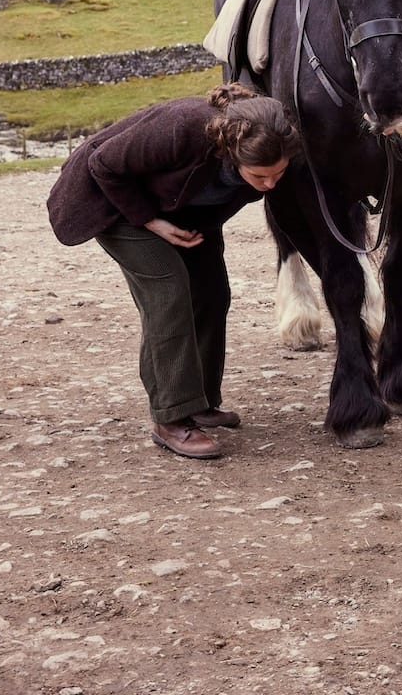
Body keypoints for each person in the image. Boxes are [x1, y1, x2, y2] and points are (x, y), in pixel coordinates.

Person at [47, 84, 300, 460]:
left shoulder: (272, 144)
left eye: (277, 174)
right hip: (116, 205)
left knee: (212, 292)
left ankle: (199, 401)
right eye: (260, 177)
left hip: (183, 213)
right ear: (233, 154)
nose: (270, 185)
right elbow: (103, 163)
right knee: (169, 290)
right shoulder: (183, 128)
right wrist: (150, 221)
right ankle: (171, 417)